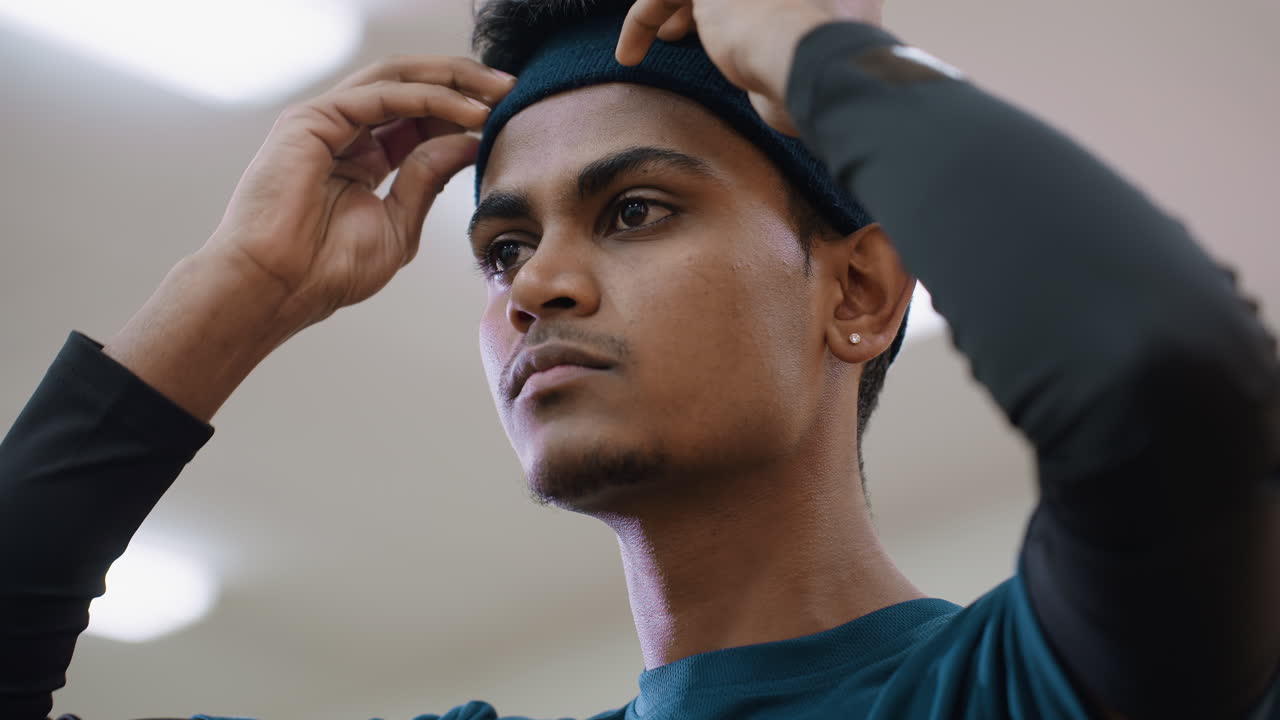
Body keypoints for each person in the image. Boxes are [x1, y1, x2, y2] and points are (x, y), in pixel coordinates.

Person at [1, 0, 1277, 718]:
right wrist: (235, 293)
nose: (536, 284)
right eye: (500, 247)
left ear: (859, 291)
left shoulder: (1042, 682)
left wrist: (819, 50)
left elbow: (1160, 372)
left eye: (634, 211)